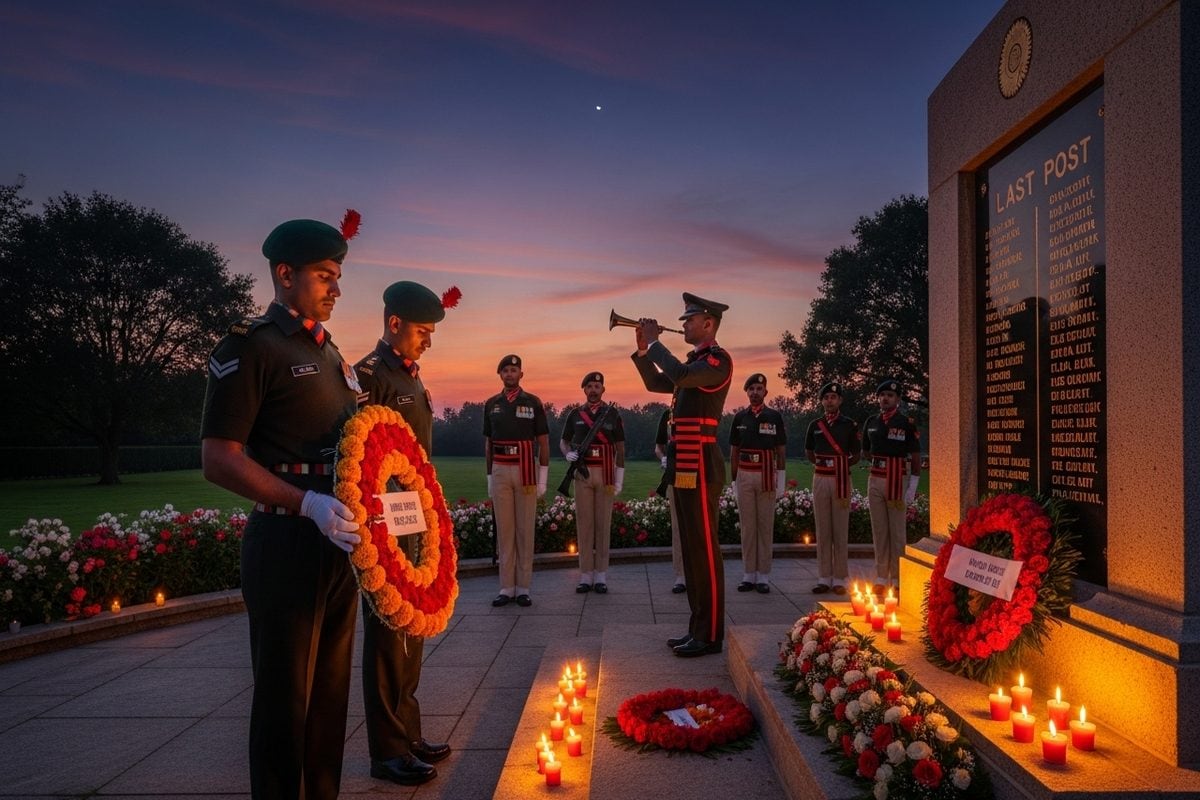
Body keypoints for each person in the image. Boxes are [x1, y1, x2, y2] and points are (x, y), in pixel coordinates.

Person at [201, 212, 363, 800]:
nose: (337, 288)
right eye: (325, 274)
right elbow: (220, 458)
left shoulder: (332, 355)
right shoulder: (251, 348)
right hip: (285, 540)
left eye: (339, 274)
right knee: (282, 704)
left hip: (338, 537)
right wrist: (306, 504)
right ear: (285, 274)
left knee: (328, 700)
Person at [353, 281, 457, 786]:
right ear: (394, 324)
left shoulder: (414, 379)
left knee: (411, 628)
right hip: (385, 519)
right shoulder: (369, 376)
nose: (428, 341)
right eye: (422, 330)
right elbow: (359, 451)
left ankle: (409, 733)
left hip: (413, 512)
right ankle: (387, 751)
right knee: (385, 635)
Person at [631, 293, 732, 657]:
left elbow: (681, 375)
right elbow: (657, 385)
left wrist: (657, 342)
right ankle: (697, 628)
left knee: (705, 550)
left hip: (702, 462)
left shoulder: (717, 361)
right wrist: (644, 352)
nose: (684, 324)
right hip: (686, 463)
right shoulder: (693, 364)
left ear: (708, 323)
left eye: (690, 319)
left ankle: (711, 633)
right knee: (691, 551)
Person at [484, 354, 550, 607]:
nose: (510, 374)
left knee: (525, 530)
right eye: (506, 370)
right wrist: (490, 476)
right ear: (500, 375)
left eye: (514, 370)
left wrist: (542, 477)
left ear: (521, 374)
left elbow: (543, 441)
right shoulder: (492, 404)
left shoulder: (533, 402)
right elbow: (488, 444)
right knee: (505, 530)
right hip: (501, 467)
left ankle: (523, 587)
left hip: (526, 470)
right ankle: (506, 588)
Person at [561, 372, 625, 593]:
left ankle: (601, 575)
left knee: (602, 524)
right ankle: (586, 574)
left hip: (606, 472)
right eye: (589, 386)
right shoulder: (575, 414)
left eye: (597, 386)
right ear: (584, 390)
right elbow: (564, 441)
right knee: (585, 525)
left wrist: (620, 477)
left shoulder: (612, 414)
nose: (593, 389)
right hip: (583, 473)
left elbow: (620, 448)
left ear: (603, 389)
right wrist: (567, 453)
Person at [862, 378, 922, 597]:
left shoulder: (906, 423)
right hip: (876, 477)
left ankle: (896, 577)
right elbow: (866, 451)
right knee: (879, 530)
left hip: (898, 478)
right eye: (882, 395)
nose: (885, 398)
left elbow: (915, 455)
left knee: (897, 531)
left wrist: (912, 486)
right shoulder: (872, 421)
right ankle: (880, 575)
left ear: (897, 399)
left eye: (890, 395)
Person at [728, 373, 787, 594]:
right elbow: (733, 452)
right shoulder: (740, 418)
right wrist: (733, 480)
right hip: (744, 473)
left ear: (765, 392)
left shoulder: (774, 417)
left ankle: (763, 575)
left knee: (764, 525)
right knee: (748, 527)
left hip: (766, 474)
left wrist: (780, 480)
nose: (755, 393)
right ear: (747, 392)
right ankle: (748, 574)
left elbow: (781, 451)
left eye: (758, 389)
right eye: (751, 389)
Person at [804, 381, 861, 595]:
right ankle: (823, 577)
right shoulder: (815, 425)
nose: (830, 401)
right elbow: (809, 452)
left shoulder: (849, 425)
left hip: (841, 480)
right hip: (820, 478)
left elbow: (855, 454)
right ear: (821, 401)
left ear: (840, 401)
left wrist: (840, 465)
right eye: (826, 397)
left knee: (840, 529)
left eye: (834, 397)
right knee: (823, 528)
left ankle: (840, 577)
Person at [655, 408, 686, 593]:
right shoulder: (667, 415)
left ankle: (696, 574)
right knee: (678, 527)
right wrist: (663, 458)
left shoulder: (699, 410)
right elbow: (658, 447)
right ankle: (680, 575)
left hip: (695, 474)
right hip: (676, 475)